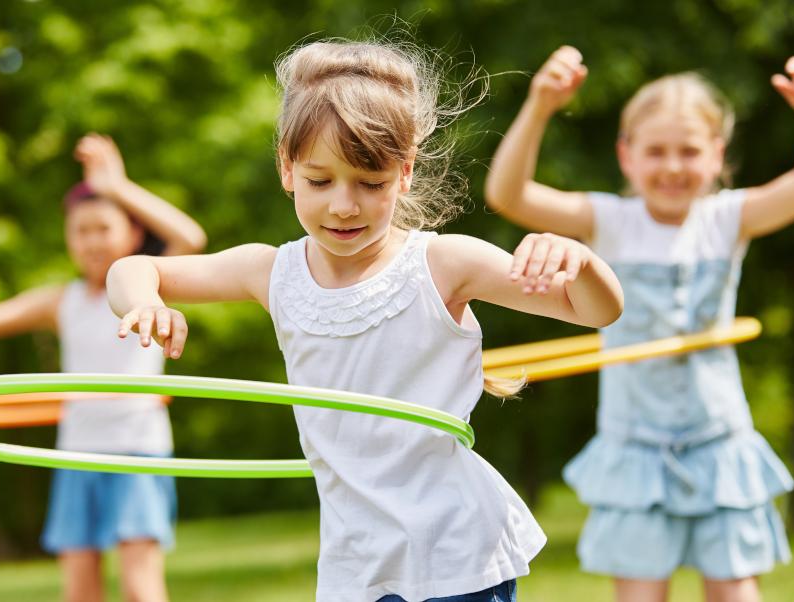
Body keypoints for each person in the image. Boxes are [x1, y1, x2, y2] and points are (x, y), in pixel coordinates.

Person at [105, 39, 623, 602]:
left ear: (403, 173)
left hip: (455, 553)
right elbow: (133, 267)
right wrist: (145, 302)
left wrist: (582, 262)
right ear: (287, 167)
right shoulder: (271, 272)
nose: (343, 206)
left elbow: (596, 310)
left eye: (369, 183)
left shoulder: (445, 264)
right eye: (320, 181)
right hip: (356, 560)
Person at [485, 46, 794, 602]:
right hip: (635, 444)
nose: (672, 166)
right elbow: (507, 196)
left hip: (718, 440)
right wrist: (540, 105)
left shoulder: (726, 219)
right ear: (626, 155)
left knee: (736, 592)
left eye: (689, 151)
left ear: (717, 155)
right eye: (656, 152)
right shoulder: (608, 220)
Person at [0, 133, 206, 602]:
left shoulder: (147, 285)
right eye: (79, 231)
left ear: (131, 233)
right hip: (75, 455)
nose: (90, 241)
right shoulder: (59, 302)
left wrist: (118, 185)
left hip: (136, 452)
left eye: (103, 228)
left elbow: (191, 237)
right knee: (79, 592)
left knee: (140, 588)